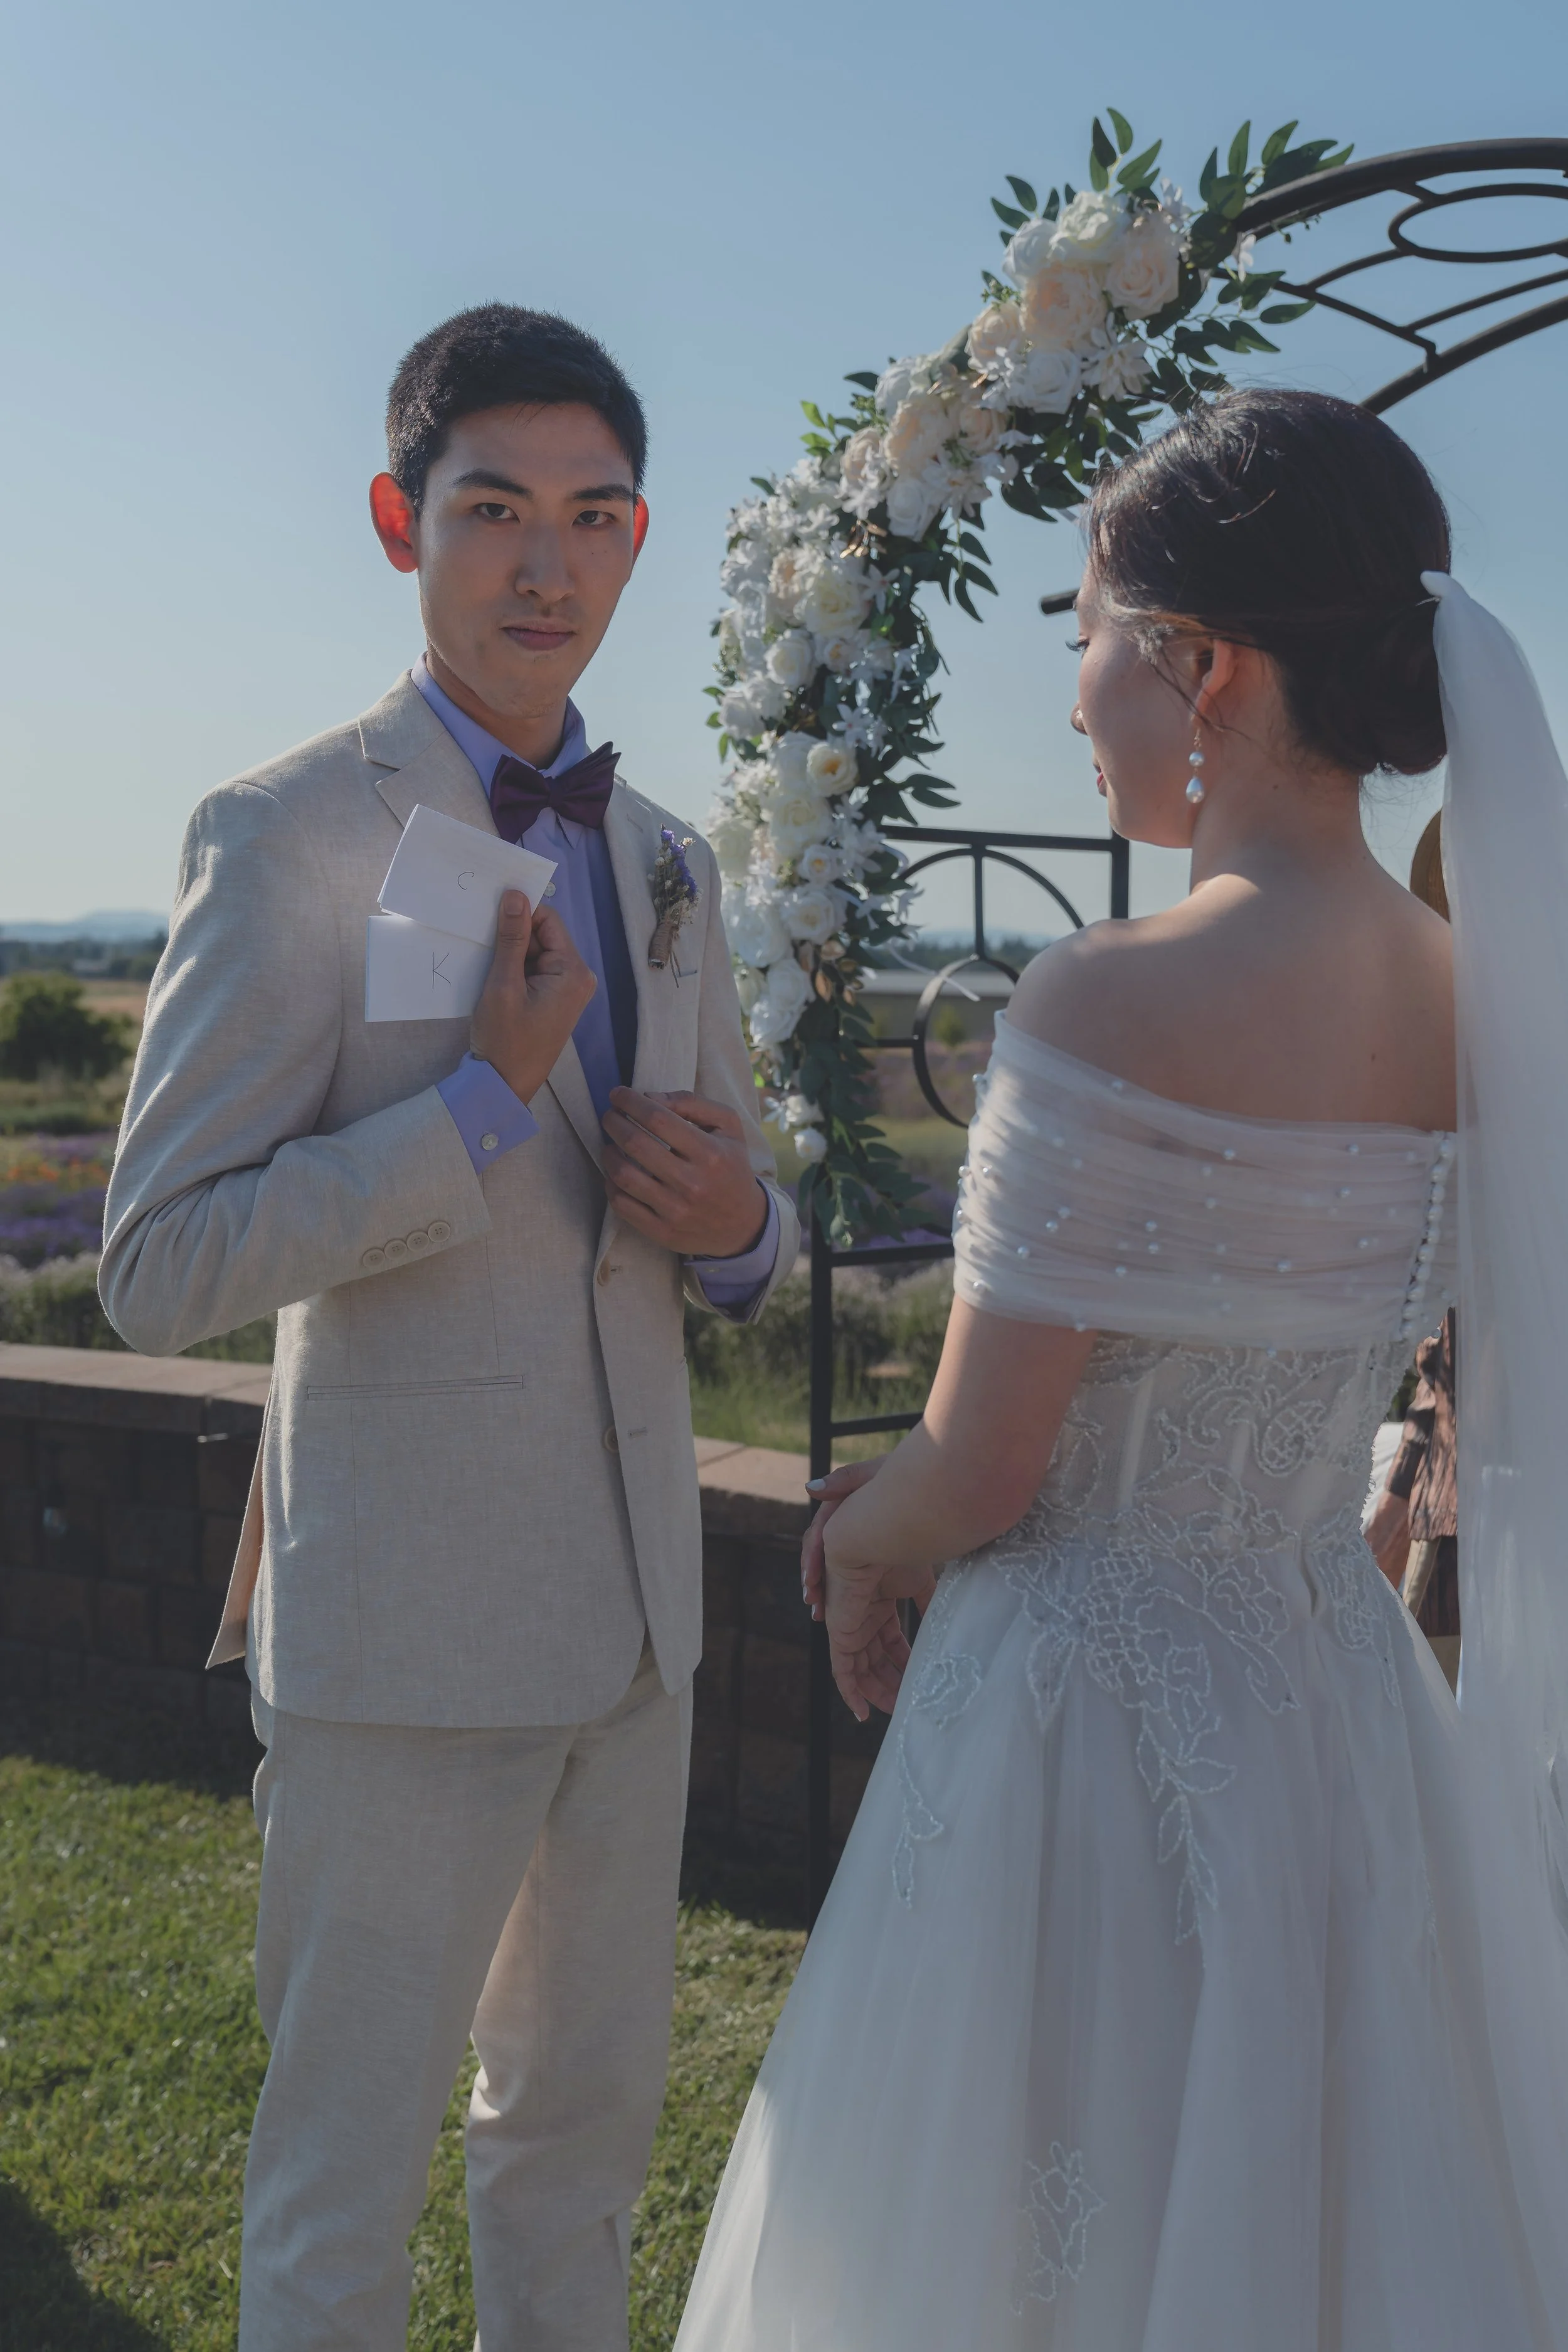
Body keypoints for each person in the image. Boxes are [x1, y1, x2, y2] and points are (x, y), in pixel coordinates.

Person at [674, 390, 1568, 2350]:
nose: (1075, 693)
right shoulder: (1469, 997)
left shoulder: (1108, 992)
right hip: (1331, 1698)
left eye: (1083, 629)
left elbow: (984, 1462)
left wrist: (852, 1534)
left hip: (1078, 1726)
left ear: (1196, 660)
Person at [99, 305, 798, 2351]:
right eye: (495, 510)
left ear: (638, 540)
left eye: (592, 516)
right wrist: (473, 1110)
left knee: (574, 2147)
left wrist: (740, 1222)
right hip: (399, 1635)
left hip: (637, 1627)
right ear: (404, 520)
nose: (544, 563)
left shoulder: (666, 858)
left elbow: (740, 1206)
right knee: (343, 2176)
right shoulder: (287, 827)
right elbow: (156, 1265)